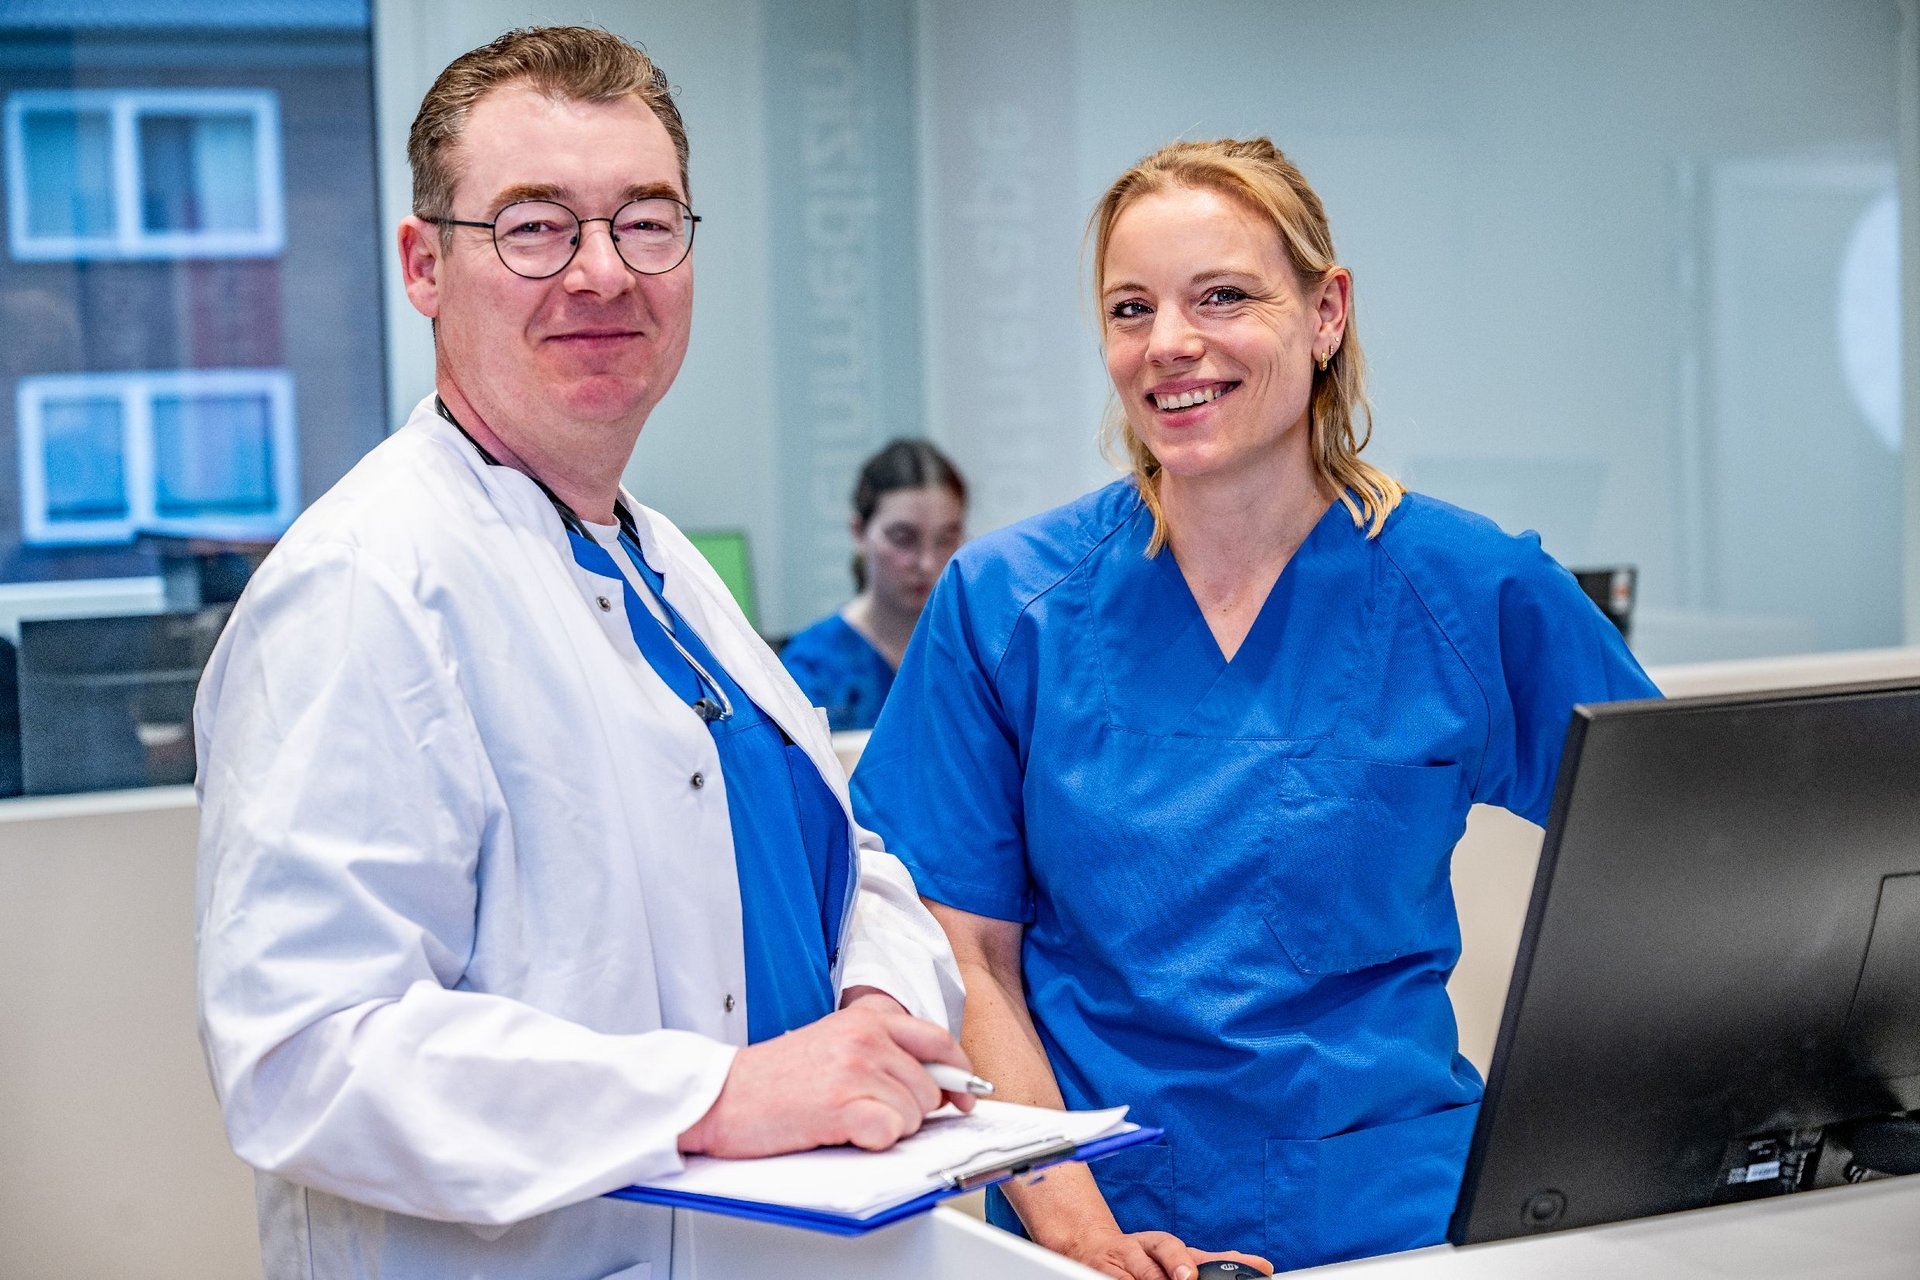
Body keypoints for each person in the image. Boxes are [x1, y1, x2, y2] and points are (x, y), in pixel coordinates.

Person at [193, 27, 970, 1280]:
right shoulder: (363, 587)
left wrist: (879, 1013)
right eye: (535, 227)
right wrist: (715, 1095)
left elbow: (839, 866)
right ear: (424, 265)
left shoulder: (658, 562)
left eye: (645, 223)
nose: (603, 273)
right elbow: (306, 1051)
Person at [852, 137, 1661, 1279]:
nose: (1169, 343)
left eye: (1222, 296)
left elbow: (1671, 843)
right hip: (1093, 1221)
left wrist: (1599, 1155)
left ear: (1326, 312)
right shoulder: (1008, 606)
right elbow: (962, 952)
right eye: (1131, 309)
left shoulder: (1469, 590)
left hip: (1398, 1229)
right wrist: (1078, 1233)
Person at [780, 439, 967, 730]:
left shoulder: (980, 655)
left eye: (946, 539)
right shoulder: (810, 666)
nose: (927, 563)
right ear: (859, 533)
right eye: (903, 539)